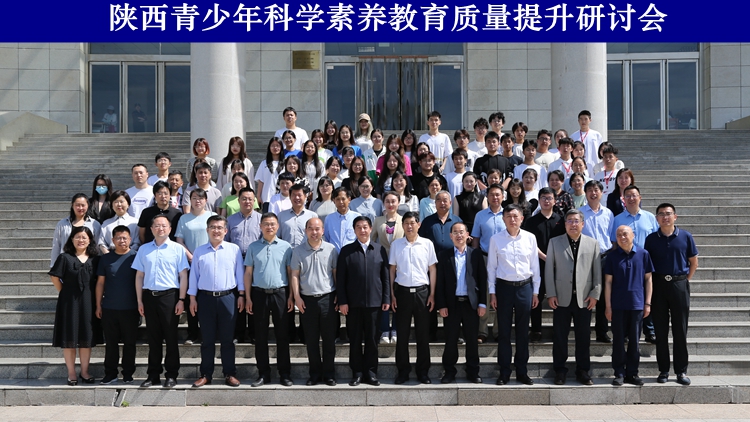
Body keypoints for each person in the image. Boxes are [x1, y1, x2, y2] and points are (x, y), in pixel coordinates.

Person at [545, 209, 602, 385]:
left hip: (584, 299)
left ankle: (582, 370)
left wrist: (595, 294)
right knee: (560, 336)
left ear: (582, 224)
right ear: (565, 224)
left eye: (576, 221)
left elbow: (597, 272)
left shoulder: (593, 244)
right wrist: (551, 293)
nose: (573, 224)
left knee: (583, 337)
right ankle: (560, 370)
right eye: (569, 221)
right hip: (561, 297)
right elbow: (549, 270)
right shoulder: (555, 242)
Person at [132, 214, 189, 388]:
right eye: (157, 225)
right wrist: (139, 301)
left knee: (171, 337)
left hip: (169, 297)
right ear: (151, 229)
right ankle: (153, 375)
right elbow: (139, 276)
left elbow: (183, 275)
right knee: (153, 338)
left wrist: (181, 299)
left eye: (164, 225)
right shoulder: (144, 249)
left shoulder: (177, 249)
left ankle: (171, 375)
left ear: (170, 229)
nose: (160, 228)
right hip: (149, 297)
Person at [644, 203, 699, 386]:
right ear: (657, 219)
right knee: (660, 331)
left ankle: (681, 371)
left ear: (675, 216)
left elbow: (694, 262)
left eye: (668, 213)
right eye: (661, 214)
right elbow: (647, 266)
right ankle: (664, 370)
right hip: (658, 285)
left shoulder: (685, 236)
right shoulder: (651, 239)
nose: (665, 217)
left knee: (680, 330)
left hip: (679, 284)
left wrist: (683, 280)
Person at [188, 215, 244, 388]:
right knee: (207, 340)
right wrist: (192, 298)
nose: (216, 230)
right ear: (207, 230)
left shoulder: (234, 249)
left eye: (220, 227)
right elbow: (193, 276)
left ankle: (230, 373)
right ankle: (206, 374)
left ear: (225, 231)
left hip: (228, 298)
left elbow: (239, 274)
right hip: (205, 299)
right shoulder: (199, 251)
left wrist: (241, 295)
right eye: (213, 227)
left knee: (228, 339)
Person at [487, 204, 540, 386]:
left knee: (523, 332)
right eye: (508, 216)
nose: (512, 219)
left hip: (525, 287)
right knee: (504, 332)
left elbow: (535, 267)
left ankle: (522, 371)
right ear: (503, 219)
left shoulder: (530, 238)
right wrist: (492, 293)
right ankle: (504, 371)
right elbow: (491, 268)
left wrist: (536, 292)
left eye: (516, 216)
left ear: (522, 218)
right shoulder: (496, 239)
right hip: (504, 288)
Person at [337, 216, 390, 386]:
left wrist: (386, 298)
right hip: (353, 304)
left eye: (365, 227)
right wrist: (343, 301)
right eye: (358, 227)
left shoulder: (379, 249)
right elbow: (341, 278)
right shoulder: (346, 251)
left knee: (372, 340)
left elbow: (385, 277)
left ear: (370, 229)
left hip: (375, 303)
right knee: (355, 340)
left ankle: (371, 373)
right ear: (354, 230)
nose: (362, 230)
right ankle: (357, 373)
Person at [244, 213, 294, 387]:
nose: (269, 227)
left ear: (278, 226)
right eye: (266, 224)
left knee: (282, 335)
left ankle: (284, 373)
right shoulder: (253, 247)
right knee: (260, 336)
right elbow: (248, 273)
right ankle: (263, 373)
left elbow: (290, 273)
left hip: (281, 293)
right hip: (259, 294)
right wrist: (248, 297)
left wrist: (291, 296)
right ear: (260, 226)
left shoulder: (286, 247)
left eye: (272, 224)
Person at [290, 217, 339, 386]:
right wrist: (297, 297)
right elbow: (294, 275)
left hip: (328, 299)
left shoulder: (331, 249)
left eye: (317, 229)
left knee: (329, 340)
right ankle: (315, 374)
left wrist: (338, 294)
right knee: (311, 340)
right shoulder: (298, 251)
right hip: (307, 301)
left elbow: (335, 273)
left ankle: (329, 374)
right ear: (306, 231)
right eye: (311, 228)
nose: (314, 232)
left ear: (323, 231)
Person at [390, 212, 438, 384]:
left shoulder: (427, 244)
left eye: (412, 223)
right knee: (402, 335)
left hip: (422, 293)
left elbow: (432, 269)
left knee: (423, 335)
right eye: (406, 223)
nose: (409, 226)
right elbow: (392, 270)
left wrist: (432, 294)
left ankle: (423, 372)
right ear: (402, 226)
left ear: (418, 225)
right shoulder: (396, 245)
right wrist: (392, 294)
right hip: (402, 293)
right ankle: (403, 371)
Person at [436, 222, 487, 384]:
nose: (459, 235)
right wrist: (441, 304)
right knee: (451, 340)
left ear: (467, 235)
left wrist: (482, 303)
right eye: (455, 232)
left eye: (461, 232)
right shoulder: (444, 255)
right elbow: (440, 282)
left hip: (470, 304)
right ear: (450, 236)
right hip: (452, 304)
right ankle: (449, 371)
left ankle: (473, 371)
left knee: (472, 340)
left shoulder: (476, 254)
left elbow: (482, 280)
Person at [49, 226, 100, 386]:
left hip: (89, 302)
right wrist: (65, 292)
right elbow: (54, 277)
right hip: (69, 302)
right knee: (69, 338)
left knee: (86, 338)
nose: (81, 240)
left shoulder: (95, 259)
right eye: (77, 237)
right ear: (71, 239)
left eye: (84, 237)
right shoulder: (65, 258)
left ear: (90, 240)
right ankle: (71, 373)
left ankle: (84, 372)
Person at [605, 225, 653, 386]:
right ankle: (619, 372)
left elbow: (648, 279)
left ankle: (632, 373)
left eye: (625, 234)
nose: (622, 237)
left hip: (637, 304)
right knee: (618, 340)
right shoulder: (612, 257)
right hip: (618, 305)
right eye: (619, 235)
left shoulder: (643, 254)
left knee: (635, 341)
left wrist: (647, 303)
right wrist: (608, 306)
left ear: (633, 235)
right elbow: (608, 282)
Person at [95, 225, 138, 385]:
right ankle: (110, 373)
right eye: (118, 238)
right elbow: (100, 283)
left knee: (130, 343)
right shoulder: (105, 259)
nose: (122, 241)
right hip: (109, 307)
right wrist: (98, 305)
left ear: (130, 239)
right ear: (112, 240)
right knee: (111, 343)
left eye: (125, 238)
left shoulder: (136, 257)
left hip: (131, 308)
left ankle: (128, 373)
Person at [176, 188, 217, 345]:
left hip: (210, 262)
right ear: (190, 201)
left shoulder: (212, 216)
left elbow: (218, 238)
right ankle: (193, 333)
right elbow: (179, 241)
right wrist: (191, 256)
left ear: (206, 200)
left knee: (208, 298)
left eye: (200, 198)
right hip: (190, 263)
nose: (197, 201)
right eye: (194, 198)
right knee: (191, 298)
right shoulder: (184, 218)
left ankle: (211, 332)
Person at [522, 187, 564, 342]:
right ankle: (536, 330)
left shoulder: (561, 220)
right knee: (537, 298)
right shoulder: (531, 221)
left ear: (555, 200)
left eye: (549, 198)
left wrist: (555, 259)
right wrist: (545, 257)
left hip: (558, 265)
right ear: (539, 200)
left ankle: (558, 329)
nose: (547, 201)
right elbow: (529, 244)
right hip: (537, 264)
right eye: (544, 198)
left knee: (558, 298)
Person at [580, 180, 615, 344]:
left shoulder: (608, 213)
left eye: (596, 190)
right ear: (585, 193)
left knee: (603, 295)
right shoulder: (580, 213)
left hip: (605, 257)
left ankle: (602, 331)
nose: (593, 193)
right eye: (590, 190)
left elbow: (611, 236)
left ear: (601, 193)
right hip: (585, 258)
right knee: (585, 294)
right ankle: (583, 331)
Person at [470, 183, 506, 343]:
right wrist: (475, 257)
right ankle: (482, 331)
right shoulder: (480, 215)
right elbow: (476, 238)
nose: (495, 197)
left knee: (502, 294)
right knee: (485, 293)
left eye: (498, 194)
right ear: (487, 197)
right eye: (491, 194)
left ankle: (498, 330)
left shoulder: (509, 214)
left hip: (504, 260)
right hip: (485, 257)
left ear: (503, 196)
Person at [225, 187, 261, 343]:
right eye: (244, 199)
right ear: (238, 200)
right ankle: (238, 333)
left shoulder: (261, 219)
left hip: (255, 264)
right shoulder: (230, 220)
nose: (247, 201)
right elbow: (226, 242)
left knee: (254, 297)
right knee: (237, 297)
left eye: (250, 199)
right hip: (236, 263)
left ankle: (253, 333)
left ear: (255, 201)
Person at [51, 193, 102, 268]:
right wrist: (54, 265)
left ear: (88, 205)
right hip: (66, 263)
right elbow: (56, 245)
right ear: (72, 205)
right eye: (77, 205)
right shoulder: (62, 224)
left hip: (88, 264)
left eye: (83, 205)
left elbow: (97, 246)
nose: (80, 208)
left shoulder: (95, 224)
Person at [137, 181, 182, 245]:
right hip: (150, 247)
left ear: (170, 195)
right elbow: (141, 233)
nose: (163, 196)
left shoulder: (177, 214)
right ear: (155, 195)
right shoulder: (146, 212)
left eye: (166, 193)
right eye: (159, 193)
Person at [279, 183, 318, 248]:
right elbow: (277, 237)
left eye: (299, 195)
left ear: (305, 196)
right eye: (294, 195)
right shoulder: (281, 216)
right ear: (290, 197)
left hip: (306, 252)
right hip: (286, 252)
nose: (297, 198)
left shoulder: (312, 216)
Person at [323, 186, 361, 251]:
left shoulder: (357, 217)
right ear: (334, 200)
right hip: (334, 254)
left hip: (352, 254)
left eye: (343, 199)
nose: (341, 202)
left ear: (349, 199)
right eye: (338, 199)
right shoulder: (329, 219)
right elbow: (327, 239)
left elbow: (360, 237)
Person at [254, 137, 285, 209]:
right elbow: (261, 181)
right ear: (269, 148)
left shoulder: (285, 164)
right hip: (267, 198)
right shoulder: (264, 163)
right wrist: (258, 196)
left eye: (277, 145)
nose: (275, 148)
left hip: (282, 198)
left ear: (281, 148)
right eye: (273, 145)